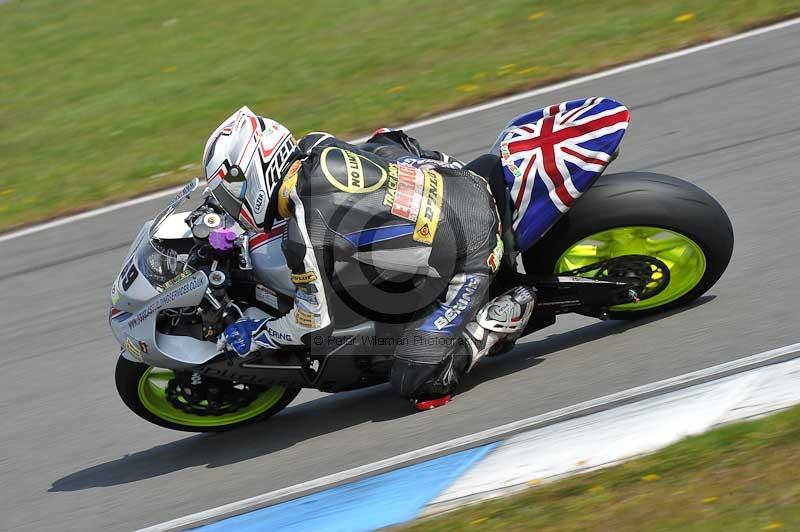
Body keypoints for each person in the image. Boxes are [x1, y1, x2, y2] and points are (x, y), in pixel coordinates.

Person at [206, 106, 535, 410]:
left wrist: (257, 333)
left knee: (416, 380)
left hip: (475, 248)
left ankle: (497, 320)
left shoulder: (304, 231)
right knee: (382, 140)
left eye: (230, 188)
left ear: (256, 170)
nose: (230, 200)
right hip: (456, 179)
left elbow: (310, 322)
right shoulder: (315, 144)